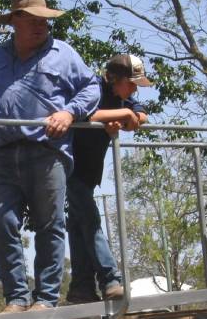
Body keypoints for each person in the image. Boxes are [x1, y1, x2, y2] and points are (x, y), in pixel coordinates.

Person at [0, 0, 100, 313]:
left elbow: (91, 87)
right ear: (15, 22)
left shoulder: (64, 54)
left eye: (45, 20)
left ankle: (46, 298)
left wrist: (69, 113)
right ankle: (17, 297)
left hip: (47, 151)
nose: (41, 26)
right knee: (0, 220)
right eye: (33, 20)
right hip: (2, 154)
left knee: (49, 224)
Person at [63, 54, 149, 304]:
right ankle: (110, 279)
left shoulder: (122, 98)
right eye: (131, 83)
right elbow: (83, 114)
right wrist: (121, 113)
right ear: (115, 79)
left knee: (79, 226)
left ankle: (81, 287)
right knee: (90, 221)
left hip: (90, 170)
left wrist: (129, 120)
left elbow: (141, 114)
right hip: (71, 165)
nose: (134, 89)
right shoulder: (93, 89)